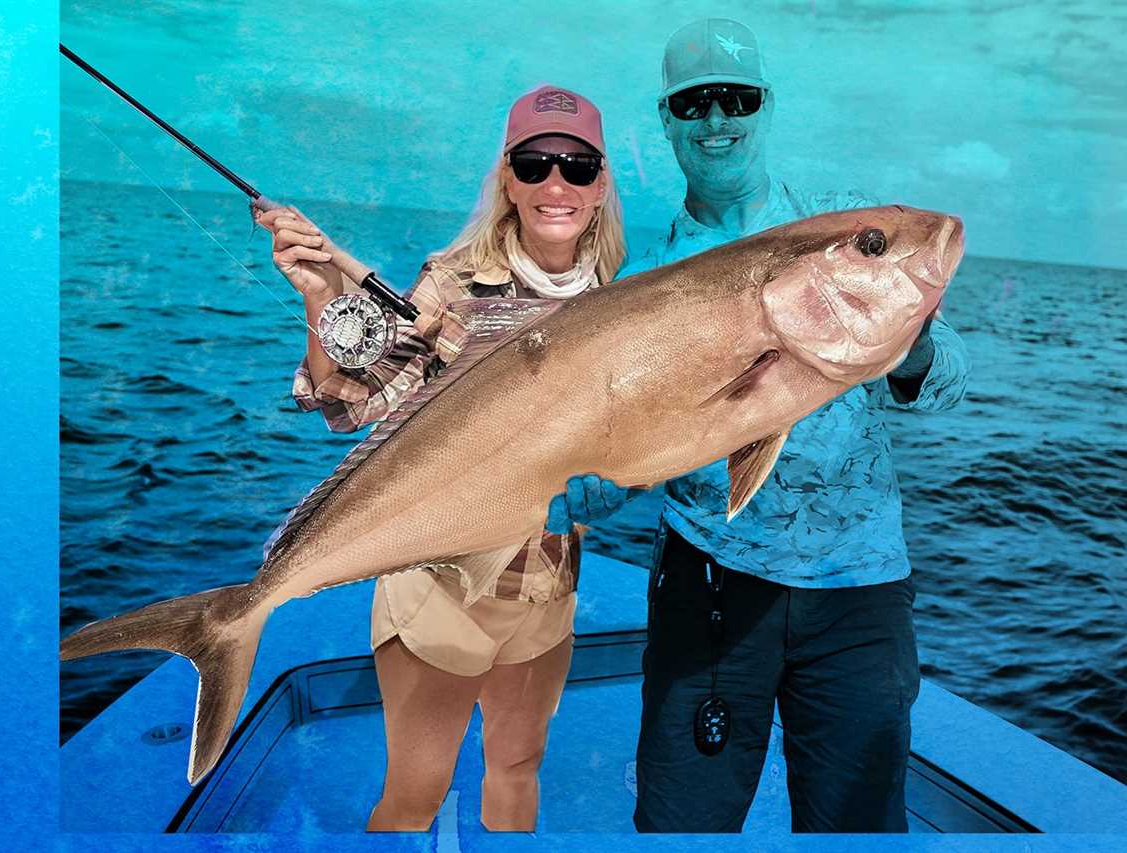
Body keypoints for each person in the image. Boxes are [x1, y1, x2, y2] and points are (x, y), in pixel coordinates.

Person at [550, 19, 970, 833]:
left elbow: (947, 383)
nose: (717, 121)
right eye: (694, 104)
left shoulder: (847, 232)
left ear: (765, 107)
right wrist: (585, 490)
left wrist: (908, 339)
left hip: (860, 588)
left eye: (735, 99)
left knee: (860, 824)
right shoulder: (640, 280)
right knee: (683, 823)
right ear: (668, 121)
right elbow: (606, 468)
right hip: (707, 580)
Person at [259, 85, 625, 832]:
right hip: (439, 593)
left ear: (601, 183)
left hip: (546, 588)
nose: (556, 184)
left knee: (519, 765)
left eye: (577, 166)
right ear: (508, 180)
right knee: (415, 793)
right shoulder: (455, 283)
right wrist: (323, 299)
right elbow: (350, 403)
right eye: (535, 163)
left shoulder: (625, 297)